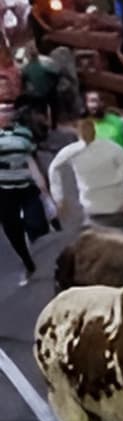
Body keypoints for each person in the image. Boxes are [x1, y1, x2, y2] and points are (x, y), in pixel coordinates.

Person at [48, 117, 123, 228]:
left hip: (116, 206)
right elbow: (54, 168)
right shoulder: (73, 151)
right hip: (93, 208)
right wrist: (58, 198)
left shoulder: (112, 148)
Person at [0, 103, 49, 285]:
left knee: (38, 224)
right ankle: (28, 263)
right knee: (12, 229)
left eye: (9, 111)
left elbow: (30, 157)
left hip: (26, 183)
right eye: (3, 111)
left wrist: (41, 181)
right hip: (3, 189)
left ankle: (45, 260)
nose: (7, 114)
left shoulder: (24, 133)